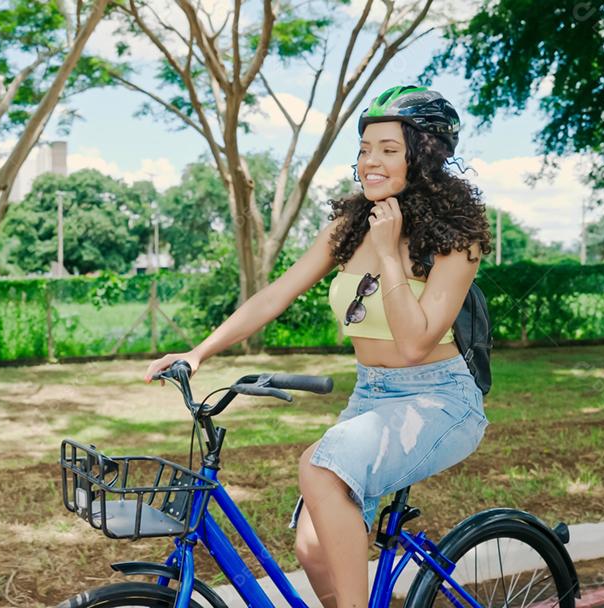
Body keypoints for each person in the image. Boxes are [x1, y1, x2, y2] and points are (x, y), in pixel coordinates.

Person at [143, 85, 494, 607]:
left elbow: (418, 343)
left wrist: (390, 254)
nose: (369, 161)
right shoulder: (347, 228)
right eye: (364, 149)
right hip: (372, 398)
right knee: (312, 547)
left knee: (318, 467)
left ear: (422, 157)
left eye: (388, 150)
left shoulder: (457, 238)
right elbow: (274, 296)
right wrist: (200, 351)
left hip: (438, 399)